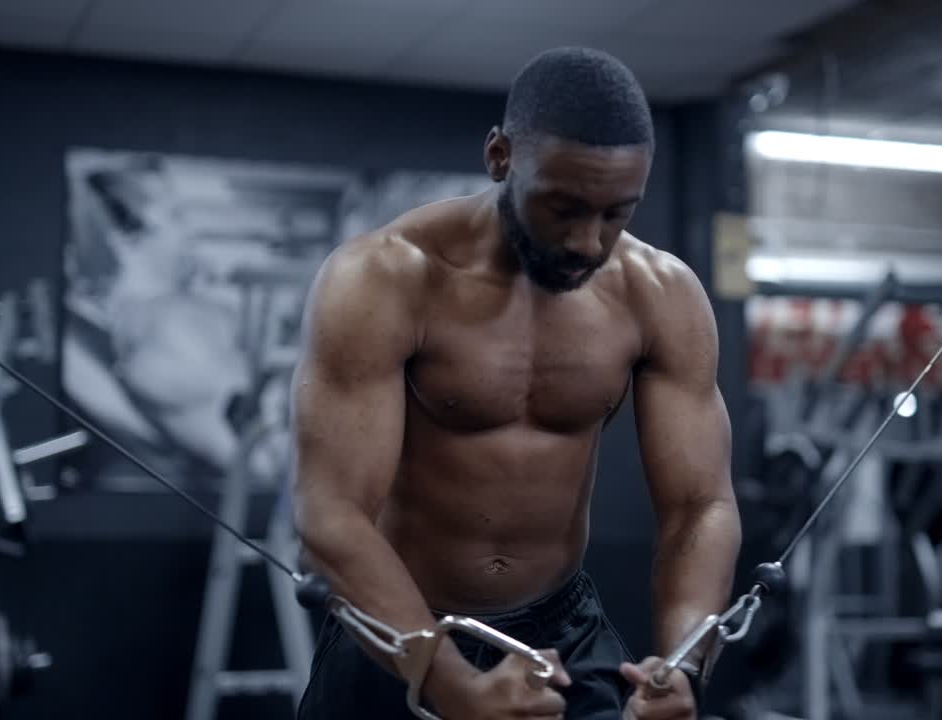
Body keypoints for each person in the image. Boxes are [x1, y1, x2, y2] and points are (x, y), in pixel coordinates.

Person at [292, 46, 742, 720]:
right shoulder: (384, 279)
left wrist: (684, 663)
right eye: (563, 208)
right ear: (501, 157)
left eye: (618, 213)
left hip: (564, 630)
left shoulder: (660, 294)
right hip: (401, 628)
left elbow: (701, 503)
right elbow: (329, 516)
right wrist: (452, 686)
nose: (590, 242)